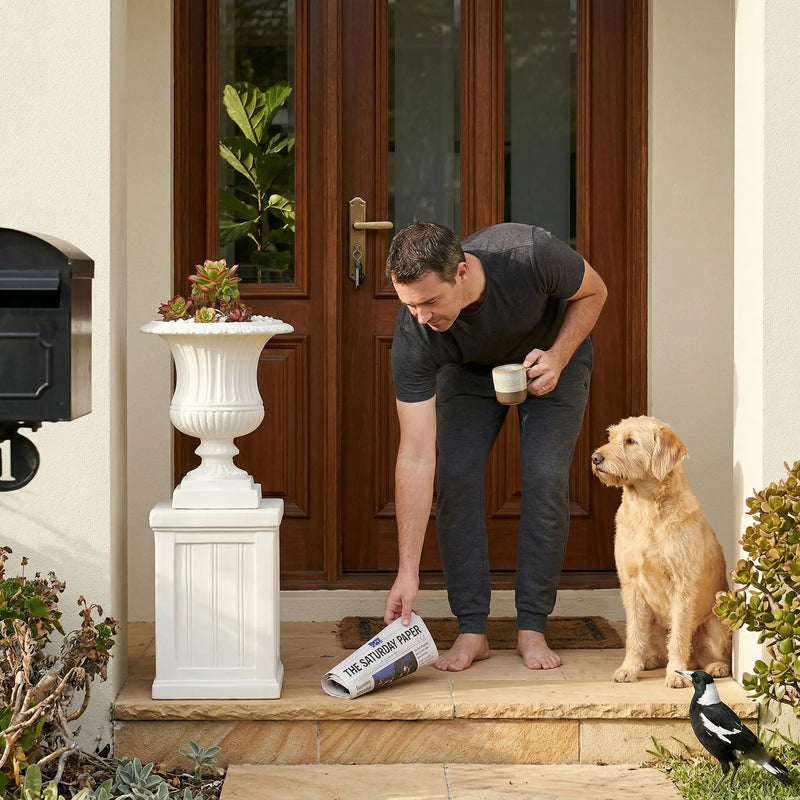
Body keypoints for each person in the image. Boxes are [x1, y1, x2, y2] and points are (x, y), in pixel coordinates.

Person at [382, 221, 608, 672]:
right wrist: (407, 570)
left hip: (549, 358)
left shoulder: (529, 253)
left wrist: (559, 356)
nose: (421, 317)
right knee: (456, 478)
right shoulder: (416, 334)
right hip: (467, 373)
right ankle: (471, 630)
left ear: (462, 272)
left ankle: (532, 627)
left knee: (544, 478)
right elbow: (416, 455)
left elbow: (595, 291)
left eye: (429, 301)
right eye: (409, 305)